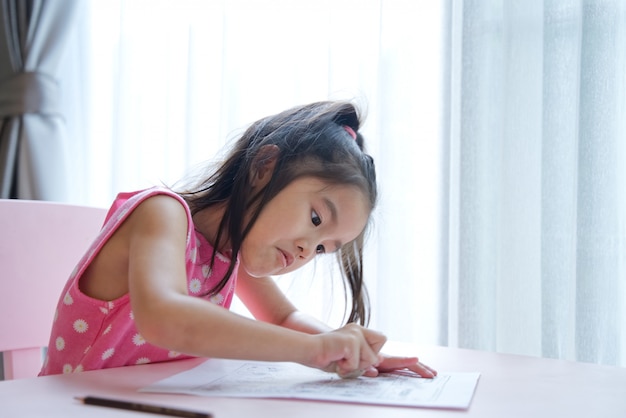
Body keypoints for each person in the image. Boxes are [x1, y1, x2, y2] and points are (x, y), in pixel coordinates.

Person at [39, 101, 436, 379]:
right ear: (264, 167)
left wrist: (355, 353)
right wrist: (314, 352)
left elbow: (283, 318)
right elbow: (165, 316)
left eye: (321, 249)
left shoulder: (231, 254)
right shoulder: (161, 213)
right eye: (315, 218)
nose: (305, 251)